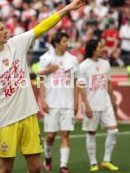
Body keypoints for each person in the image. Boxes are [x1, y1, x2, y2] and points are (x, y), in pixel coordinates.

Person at [0, 0, 87, 173]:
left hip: (29, 116)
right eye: (1, 29)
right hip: (5, 121)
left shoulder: (16, 44)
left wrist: (66, 9)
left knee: (36, 167)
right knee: (5, 167)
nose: (6, 31)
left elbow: (42, 27)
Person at [38, 32, 79, 173]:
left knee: (65, 134)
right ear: (56, 43)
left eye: (67, 40)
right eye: (64, 41)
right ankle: (48, 157)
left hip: (67, 103)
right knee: (50, 136)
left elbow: (75, 81)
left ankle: (63, 165)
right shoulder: (45, 58)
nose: (66, 43)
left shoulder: (73, 59)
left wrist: (76, 101)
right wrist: (42, 100)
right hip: (52, 103)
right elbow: (41, 80)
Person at [78, 39, 119, 172]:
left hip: (105, 103)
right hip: (91, 105)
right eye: (100, 46)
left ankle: (107, 160)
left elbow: (108, 83)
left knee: (113, 131)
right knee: (91, 133)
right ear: (93, 49)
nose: (103, 48)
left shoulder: (106, 64)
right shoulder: (83, 66)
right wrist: (87, 106)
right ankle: (93, 162)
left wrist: (113, 100)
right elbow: (81, 88)